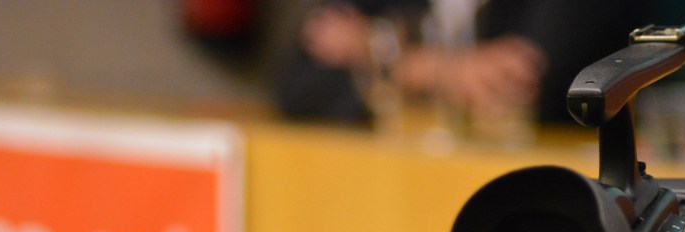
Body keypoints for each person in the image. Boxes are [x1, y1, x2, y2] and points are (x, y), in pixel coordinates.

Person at [274, 0, 652, 124]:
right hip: (396, 184)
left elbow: (524, 79)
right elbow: (298, 87)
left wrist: (376, 51)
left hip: (542, 194)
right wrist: (447, 71)